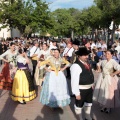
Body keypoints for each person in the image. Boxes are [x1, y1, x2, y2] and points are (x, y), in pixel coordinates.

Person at [70, 47, 94, 120]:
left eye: (87, 55)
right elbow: (74, 81)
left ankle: (87, 117)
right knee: (79, 106)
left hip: (89, 89)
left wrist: (92, 84)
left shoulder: (87, 63)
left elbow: (90, 73)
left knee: (88, 104)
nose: (87, 56)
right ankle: (80, 118)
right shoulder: (76, 66)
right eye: (84, 55)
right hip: (81, 90)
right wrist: (76, 93)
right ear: (79, 56)